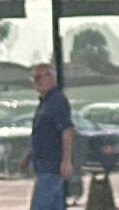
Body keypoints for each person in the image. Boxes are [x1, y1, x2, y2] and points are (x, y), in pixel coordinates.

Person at [20, 63, 75, 210]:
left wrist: (66, 161)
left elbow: (67, 130)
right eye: (34, 78)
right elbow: (41, 135)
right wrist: (28, 157)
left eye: (40, 77)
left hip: (51, 166)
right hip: (44, 166)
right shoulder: (45, 103)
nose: (36, 82)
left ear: (51, 77)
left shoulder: (57, 101)